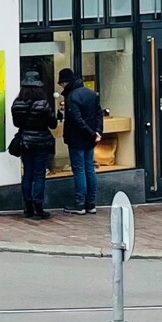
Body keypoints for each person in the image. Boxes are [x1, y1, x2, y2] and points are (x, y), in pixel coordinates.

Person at [7, 72, 56, 220]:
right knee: (39, 174)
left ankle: (28, 207)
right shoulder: (43, 103)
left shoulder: (17, 103)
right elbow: (52, 124)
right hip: (41, 141)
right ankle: (38, 207)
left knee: (27, 173)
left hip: (25, 141)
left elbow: (17, 123)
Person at [60, 72, 104, 215]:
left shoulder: (72, 97)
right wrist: (97, 131)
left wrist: (91, 132)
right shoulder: (91, 94)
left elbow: (77, 120)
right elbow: (99, 114)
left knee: (79, 170)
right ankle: (91, 203)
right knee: (89, 169)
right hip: (89, 139)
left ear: (66, 83)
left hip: (77, 138)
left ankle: (80, 204)